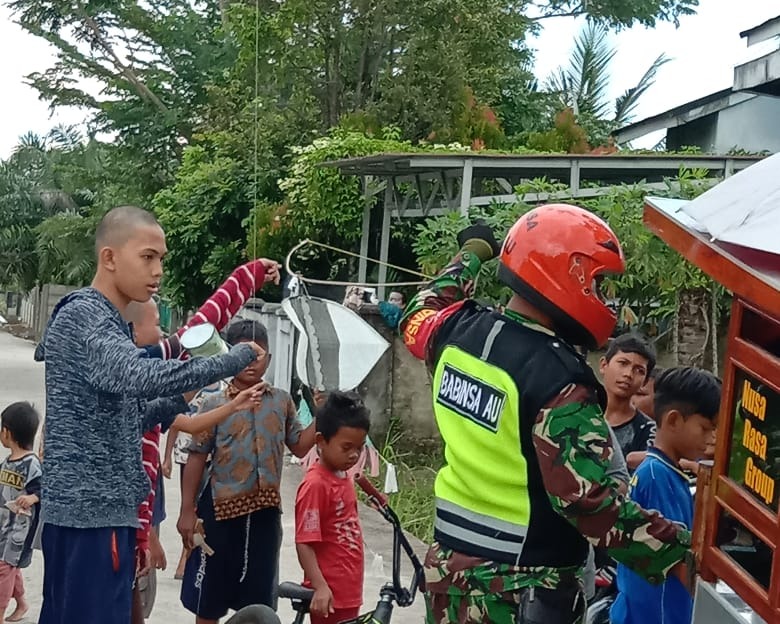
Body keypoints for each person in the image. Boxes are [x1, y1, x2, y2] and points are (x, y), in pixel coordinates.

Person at [400, 205, 693, 624]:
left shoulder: (453, 332)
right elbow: (590, 503)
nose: (605, 299)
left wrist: (472, 253)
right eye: (598, 284)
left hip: (449, 576)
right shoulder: (558, 380)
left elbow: (418, 310)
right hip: (521, 591)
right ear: (567, 275)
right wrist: (683, 553)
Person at [33, 205, 271, 624]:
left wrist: (181, 396)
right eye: (147, 257)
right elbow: (139, 375)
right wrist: (229, 361)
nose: (158, 269)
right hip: (90, 517)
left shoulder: (109, 322)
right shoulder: (86, 316)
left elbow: (131, 416)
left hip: (105, 515)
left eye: (161, 258)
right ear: (109, 258)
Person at [178, 319, 316, 623]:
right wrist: (187, 510)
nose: (252, 363)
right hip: (219, 516)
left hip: (265, 517)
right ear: (230, 355)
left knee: (258, 607)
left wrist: (321, 414)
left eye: (259, 355)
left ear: (269, 358)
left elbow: (301, 446)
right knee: (208, 602)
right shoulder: (214, 403)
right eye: (243, 354)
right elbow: (196, 457)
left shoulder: (281, 401)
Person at [611, 367, 721, 624]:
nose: (712, 437)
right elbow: (680, 562)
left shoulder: (669, 473)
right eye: (706, 427)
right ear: (673, 421)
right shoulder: (657, 477)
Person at [295, 391, 371, 624]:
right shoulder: (316, 485)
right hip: (328, 594)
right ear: (320, 441)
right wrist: (319, 586)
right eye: (346, 447)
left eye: (359, 448)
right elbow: (304, 542)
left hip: (348, 592)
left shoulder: (343, 476)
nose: (354, 455)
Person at [0, 402, 41, 624]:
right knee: (9, 566)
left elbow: (44, 489)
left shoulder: (31, 464)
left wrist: (32, 497)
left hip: (19, 531)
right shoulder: (6, 463)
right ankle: (22, 601)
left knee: (4, 568)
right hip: (4, 526)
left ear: (7, 432)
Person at [600, 333, 657, 471]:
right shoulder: (578, 413)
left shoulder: (648, 431)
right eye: (623, 363)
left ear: (644, 381)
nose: (628, 374)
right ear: (603, 365)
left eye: (639, 370)